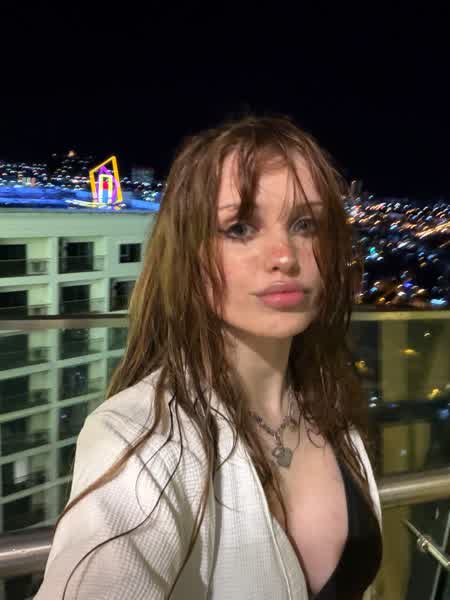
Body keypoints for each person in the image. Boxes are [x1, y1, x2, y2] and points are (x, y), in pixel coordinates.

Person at [35, 115, 383, 600]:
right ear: (189, 258)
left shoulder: (332, 411)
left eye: (305, 224)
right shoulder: (140, 437)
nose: (285, 255)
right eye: (239, 228)